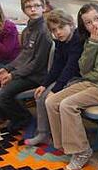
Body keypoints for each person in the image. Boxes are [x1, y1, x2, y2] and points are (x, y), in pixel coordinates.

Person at [45, 3, 98, 170]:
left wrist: (87, 75)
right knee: (51, 101)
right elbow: (83, 67)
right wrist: (93, 43)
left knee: (67, 105)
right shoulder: (91, 39)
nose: (94, 24)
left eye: (97, 18)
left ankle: (81, 151)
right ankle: (65, 145)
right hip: (92, 84)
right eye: (88, 22)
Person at [0, 0, 51, 133]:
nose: (33, 9)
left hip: (36, 76)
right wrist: (8, 68)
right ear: (23, 10)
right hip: (23, 72)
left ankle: (24, 119)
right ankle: (9, 117)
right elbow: (23, 55)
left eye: (36, 6)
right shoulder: (28, 29)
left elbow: (37, 64)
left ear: (43, 7)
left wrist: (13, 75)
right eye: (28, 7)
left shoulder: (44, 31)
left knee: (2, 95)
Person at [24, 9, 83, 146]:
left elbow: (70, 68)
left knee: (49, 98)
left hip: (78, 78)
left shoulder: (77, 39)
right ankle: (43, 133)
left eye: (61, 28)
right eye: (54, 30)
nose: (58, 32)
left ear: (71, 24)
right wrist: (44, 85)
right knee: (41, 95)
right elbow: (57, 66)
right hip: (66, 77)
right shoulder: (60, 41)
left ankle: (61, 136)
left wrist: (55, 89)